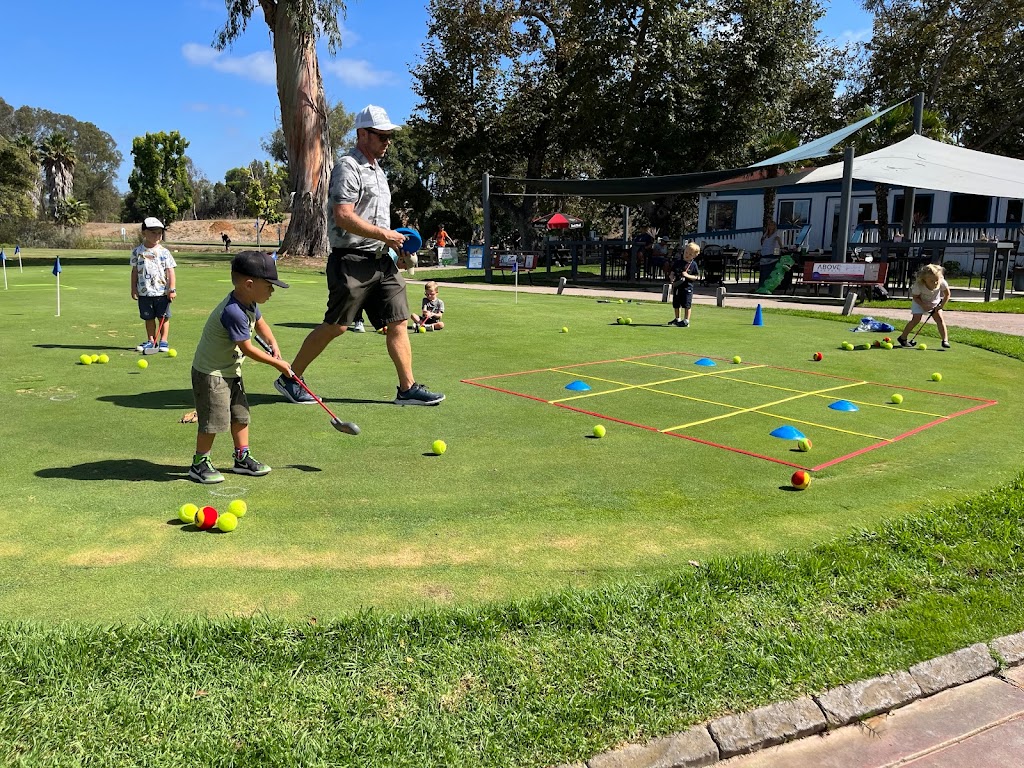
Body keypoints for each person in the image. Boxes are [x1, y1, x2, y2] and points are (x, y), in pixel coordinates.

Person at [274, 105, 444, 407]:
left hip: (381, 261)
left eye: (389, 135)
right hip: (350, 260)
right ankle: (290, 378)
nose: (387, 141)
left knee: (399, 320)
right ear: (362, 134)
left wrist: (394, 245)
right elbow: (343, 216)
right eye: (381, 135)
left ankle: (407, 388)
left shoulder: (380, 173)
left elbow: (376, 221)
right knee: (336, 325)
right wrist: (385, 235)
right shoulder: (347, 167)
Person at [188, 251, 293, 484]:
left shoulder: (249, 301)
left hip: (230, 371)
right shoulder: (233, 312)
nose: (272, 291)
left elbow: (261, 323)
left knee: (241, 415)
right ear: (249, 284)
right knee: (213, 420)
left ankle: (242, 457)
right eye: (269, 286)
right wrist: (279, 364)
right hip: (211, 374)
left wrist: (273, 344)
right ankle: (199, 463)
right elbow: (247, 349)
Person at [130, 217, 176, 353]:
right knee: (148, 318)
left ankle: (163, 341)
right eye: (153, 233)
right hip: (144, 292)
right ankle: (151, 340)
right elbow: (134, 271)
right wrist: (133, 288)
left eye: (159, 233)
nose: (157, 236)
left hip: (162, 292)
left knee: (163, 317)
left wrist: (172, 288)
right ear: (144, 233)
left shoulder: (164, 252)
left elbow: (170, 271)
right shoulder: (137, 252)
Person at [898, 263, 952, 348]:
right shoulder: (919, 285)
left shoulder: (942, 282)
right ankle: (903, 338)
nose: (935, 282)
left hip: (934, 302)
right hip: (919, 301)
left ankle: (945, 340)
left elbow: (947, 295)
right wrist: (923, 305)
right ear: (924, 279)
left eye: (936, 280)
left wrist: (941, 306)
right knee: (916, 319)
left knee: (940, 319)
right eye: (931, 280)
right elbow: (915, 297)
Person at [668, 242, 701, 327]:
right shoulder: (678, 262)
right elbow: (672, 272)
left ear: (694, 255)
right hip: (677, 286)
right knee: (676, 303)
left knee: (686, 304)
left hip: (687, 287)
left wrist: (687, 275)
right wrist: (672, 278)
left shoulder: (693, 264)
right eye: (686, 252)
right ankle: (677, 318)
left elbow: (696, 277)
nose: (687, 255)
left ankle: (686, 320)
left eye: (690, 254)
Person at [758, 220, 785, 289]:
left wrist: (780, 249)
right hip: (764, 253)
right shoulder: (765, 234)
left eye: (772, 225)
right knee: (763, 271)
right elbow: (763, 242)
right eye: (769, 225)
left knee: (769, 271)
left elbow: (778, 243)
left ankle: (767, 286)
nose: (771, 227)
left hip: (771, 254)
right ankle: (761, 286)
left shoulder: (776, 234)